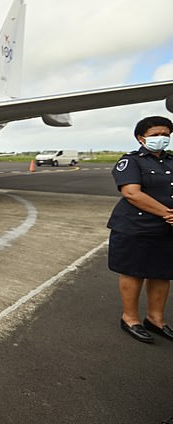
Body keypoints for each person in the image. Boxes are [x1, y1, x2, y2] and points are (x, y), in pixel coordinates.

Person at [107, 115, 173, 343]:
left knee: (162, 274)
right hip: (136, 226)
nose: (161, 139)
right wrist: (168, 213)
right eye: (155, 135)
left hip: (166, 230)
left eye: (165, 135)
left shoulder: (171, 161)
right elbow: (131, 193)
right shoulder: (131, 161)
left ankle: (155, 319)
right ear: (141, 138)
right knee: (134, 273)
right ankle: (130, 318)